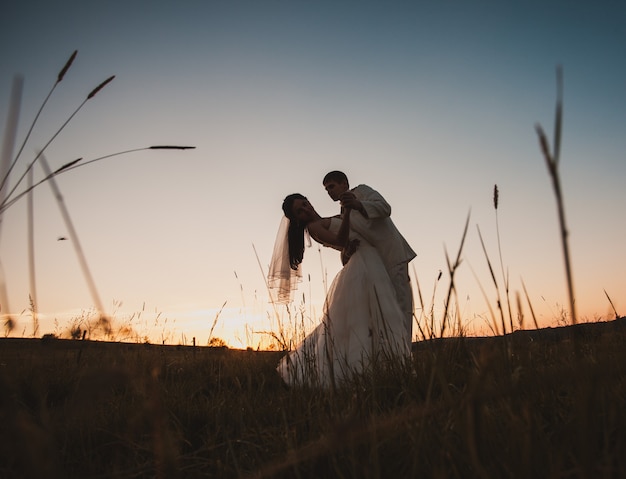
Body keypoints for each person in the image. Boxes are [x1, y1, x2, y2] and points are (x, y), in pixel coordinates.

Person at [270, 193, 409, 388]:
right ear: (297, 220)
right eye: (299, 212)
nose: (306, 210)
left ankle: (383, 368)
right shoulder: (314, 227)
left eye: (304, 204)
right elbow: (341, 240)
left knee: (376, 318)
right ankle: (358, 371)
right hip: (362, 267)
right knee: (363, 321)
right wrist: (349, 214)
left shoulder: (326, 219)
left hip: (370, 260)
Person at [322, 171, 417, 346]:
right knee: (384, 311)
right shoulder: (343, 211)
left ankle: (404, 355)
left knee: (401, 307)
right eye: (326, 189)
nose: (329, 191)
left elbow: (385, 208)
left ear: (344, 183)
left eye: (332, 186)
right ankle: (389, 355)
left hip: (392, 255)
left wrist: (358, 204)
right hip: (375, 264)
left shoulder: (362, 191)